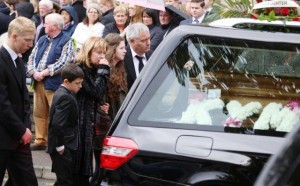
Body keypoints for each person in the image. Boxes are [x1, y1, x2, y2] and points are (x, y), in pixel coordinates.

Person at [27, 13, 75, 151]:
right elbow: (32, 57)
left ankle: (54, 142)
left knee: (55, 114)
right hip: (38, 81)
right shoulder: (42, 39)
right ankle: (40, 140)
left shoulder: (67, 40)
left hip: (53, 83)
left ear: (54, 26)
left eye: (46, 23)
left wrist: (44, 73)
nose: (44, 25)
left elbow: (64, 62)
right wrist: (33, 72)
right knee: (38, 113)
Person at [0, 17, 38, 186]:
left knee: (27, 181)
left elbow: (23, 100)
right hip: (3, 137)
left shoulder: (19, 61)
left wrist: (25, 128)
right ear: (14, 36)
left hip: (19, 137)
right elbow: (2, 104)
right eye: (27, 40)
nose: (30, 45)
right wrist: (21, 129)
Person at [89, 33, 127, 185]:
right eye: (122, 48)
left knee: (105, 171)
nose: (125, 51)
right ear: (113, 49)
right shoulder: (104, 69)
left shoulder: (120, 68)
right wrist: (102, 107)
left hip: (115, 121)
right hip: (104, 123)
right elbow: (98, 94)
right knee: (100, 169)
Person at [74, 36, 110, 185]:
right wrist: (103, 70)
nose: (102, 56)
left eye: (104, 53)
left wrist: (102, 104)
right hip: (78, 124)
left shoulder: (93, 69)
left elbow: (97, 94)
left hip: (89, 122)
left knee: (85, 169)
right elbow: (94, 91)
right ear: (89, 52)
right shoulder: (80, 68)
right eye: (99, 52)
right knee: (77, 171)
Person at [48, 63, 84, 186]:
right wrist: (60, 146)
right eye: (77, 83)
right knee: (65, 181)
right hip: (64, 146)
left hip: (64, 145)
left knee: (63, 179)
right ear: (66, 81)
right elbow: (57, 124)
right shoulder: (65, 97)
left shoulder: (62, 92)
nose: (80, 86)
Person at [125, 22, 152, 90]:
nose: (148, 43)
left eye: (149, 38)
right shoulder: (122, 57)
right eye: (143, 41)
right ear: (132, 41)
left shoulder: (153, 55)